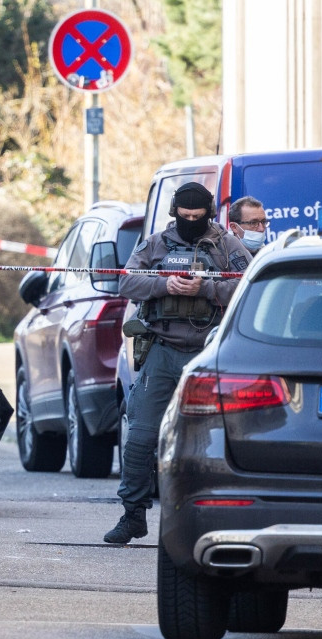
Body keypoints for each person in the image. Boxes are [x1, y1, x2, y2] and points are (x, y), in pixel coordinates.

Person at [107, 182, 251, 545]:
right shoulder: (155, 244)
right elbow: (127, 283)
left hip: (210, 354)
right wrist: (164, 285)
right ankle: (133, 514)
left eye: (197, 217)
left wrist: (205, 289)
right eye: (184, 217)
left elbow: (248, 285)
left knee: (217, 439)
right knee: (139, 437)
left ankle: (223, 517)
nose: (190, 222)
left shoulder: (227, 246)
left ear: (209, 213)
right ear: (175, 213)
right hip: (163, 349)